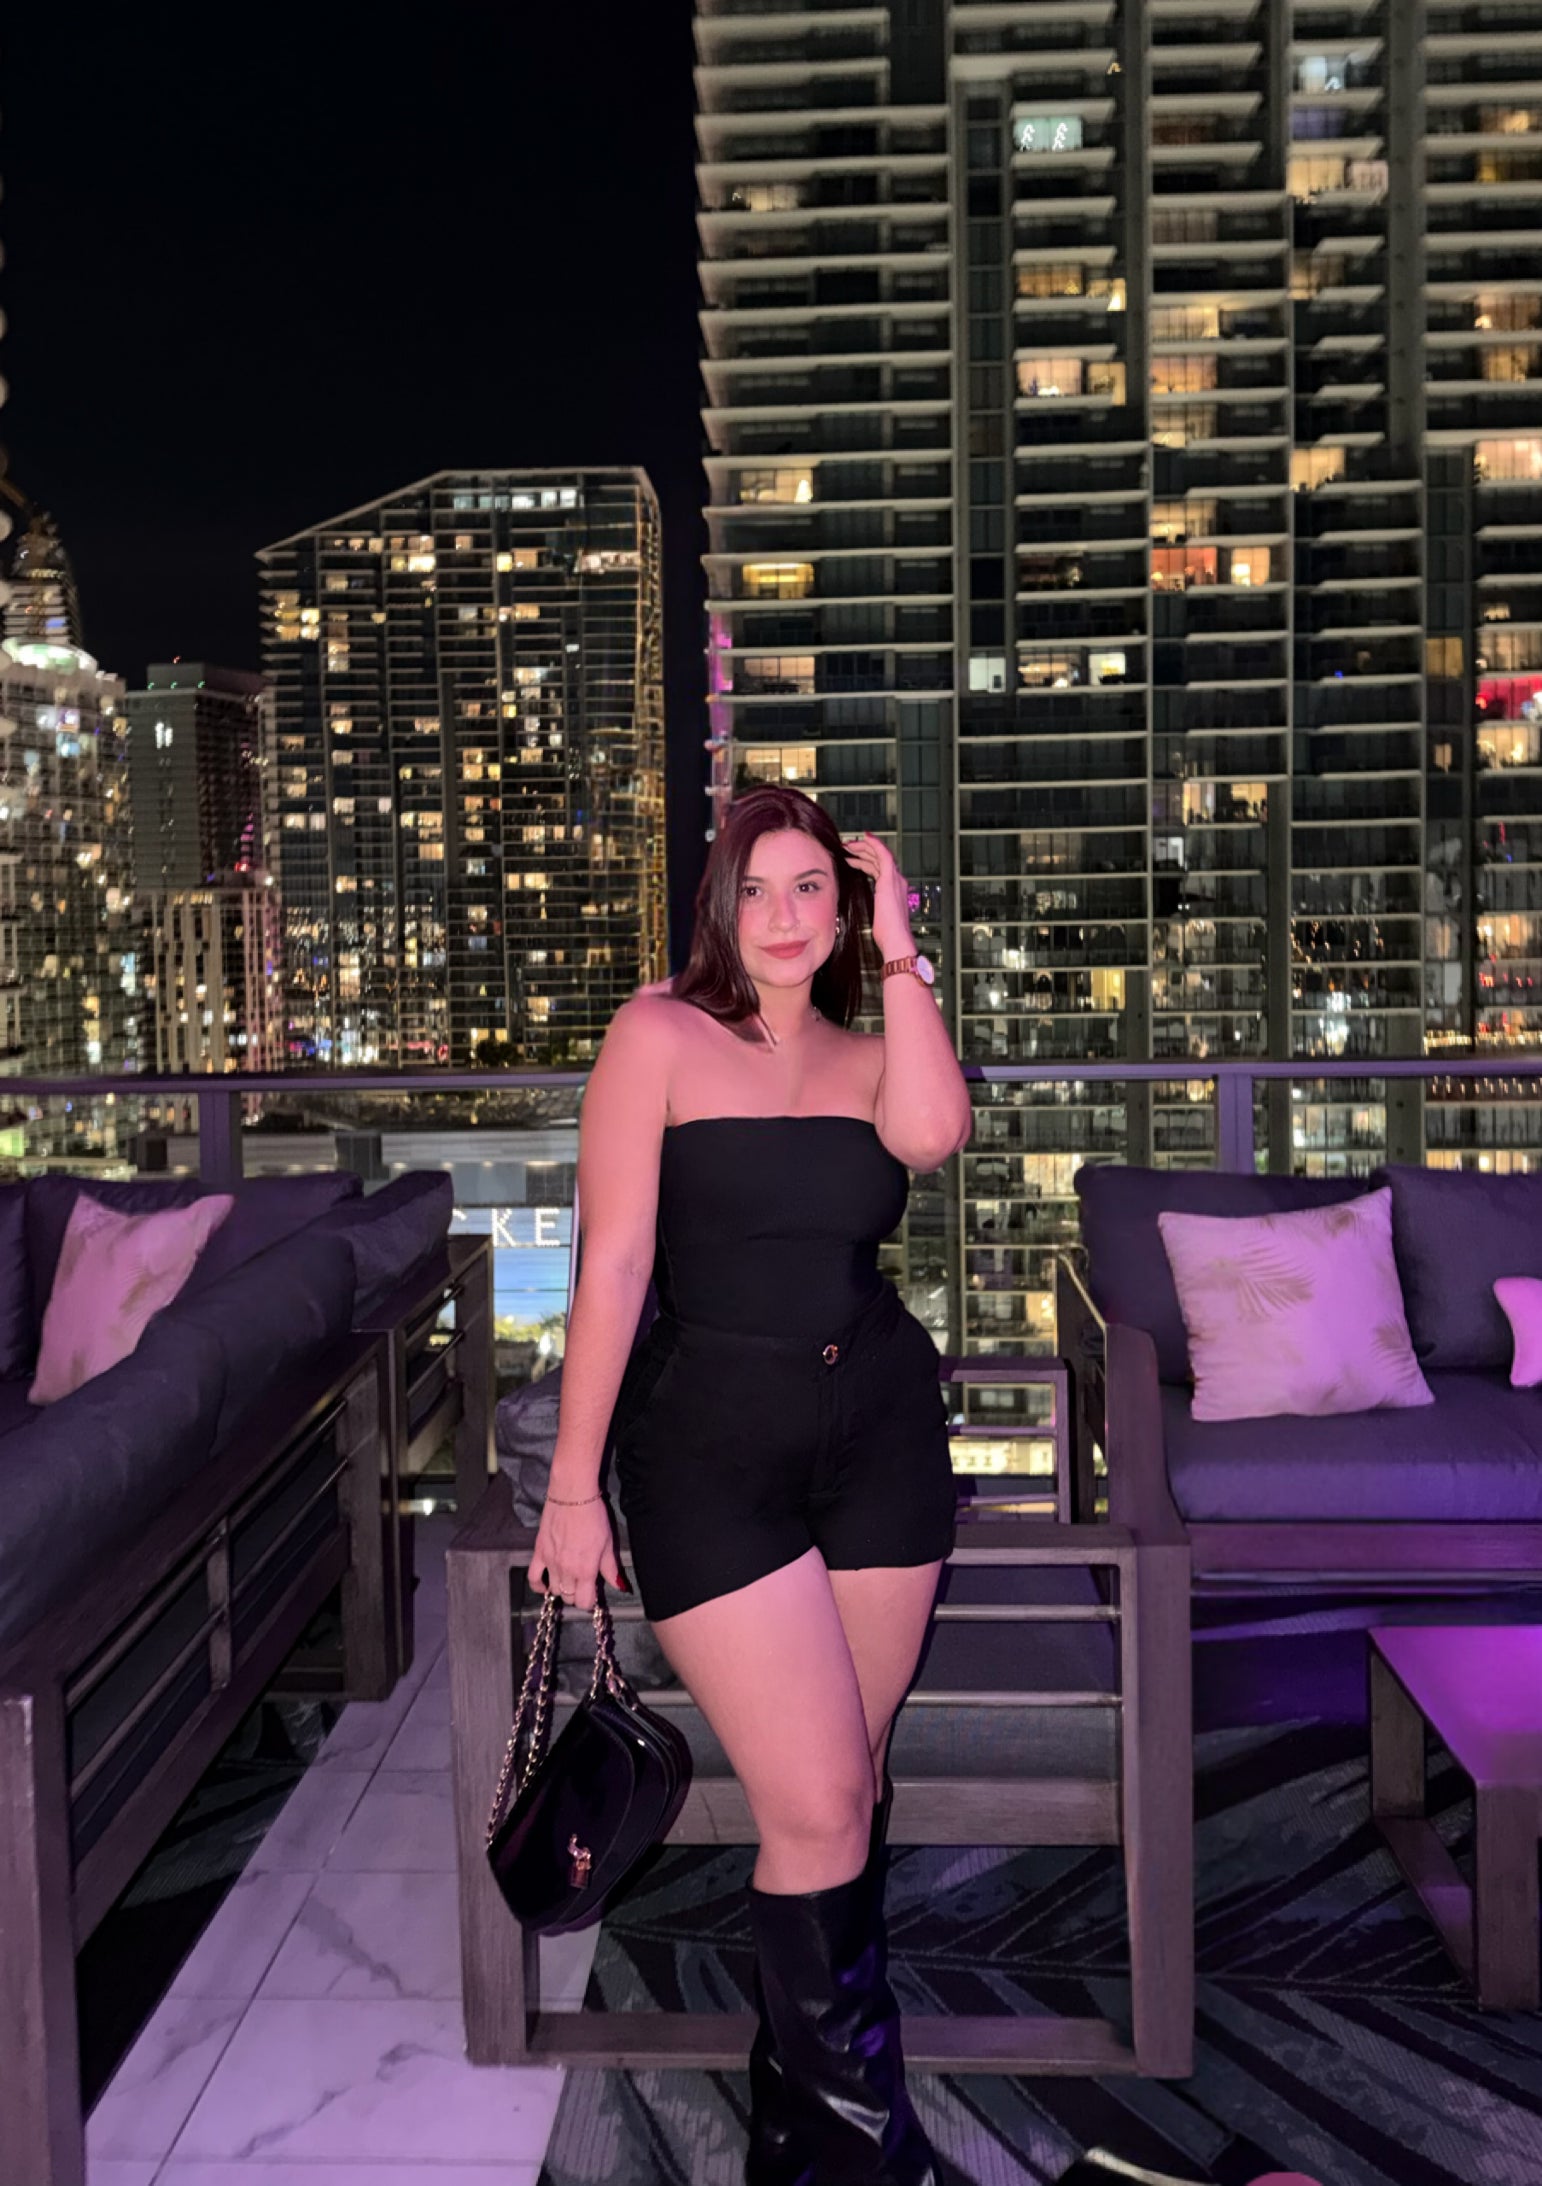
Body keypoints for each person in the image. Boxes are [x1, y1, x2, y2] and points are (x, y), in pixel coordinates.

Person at [531, 784, 972, 2185]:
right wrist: (571, 1485)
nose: (784, 916)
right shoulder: (657, 1033)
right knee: (821, 1800)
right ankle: (859, 2161)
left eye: (812, 888)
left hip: (880, 1435)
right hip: (709, 1450)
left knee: (847, 1788)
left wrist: (902, 949)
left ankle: (798, 2125)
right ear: (719, 905)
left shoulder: (871, 1051)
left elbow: (934, 1136)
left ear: (845, 909)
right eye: (758, 888)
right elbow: (613, 1265)